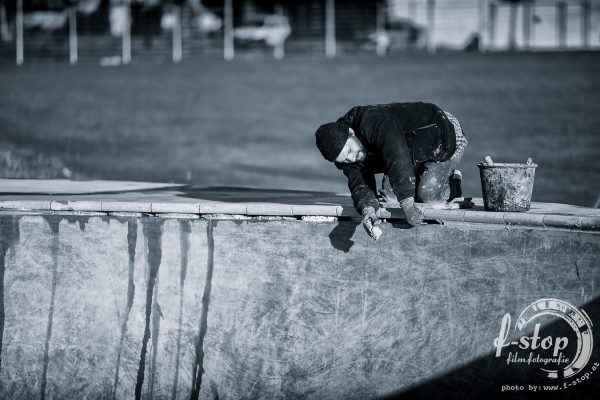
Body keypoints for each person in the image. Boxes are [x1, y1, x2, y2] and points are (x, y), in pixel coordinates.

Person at [315, 102, 467, 239]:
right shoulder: (346, 155)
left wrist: (407, 202)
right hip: (411, 152)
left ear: (351, 132)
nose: (351, 158)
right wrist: (367, 211)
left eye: (349, 152)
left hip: (440, 132)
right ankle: (421, 179)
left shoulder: (370, 119)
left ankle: (451, 184)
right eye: (345, 160)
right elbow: (359, 182)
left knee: (427, 195)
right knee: (390, 198)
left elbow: (395, 150)